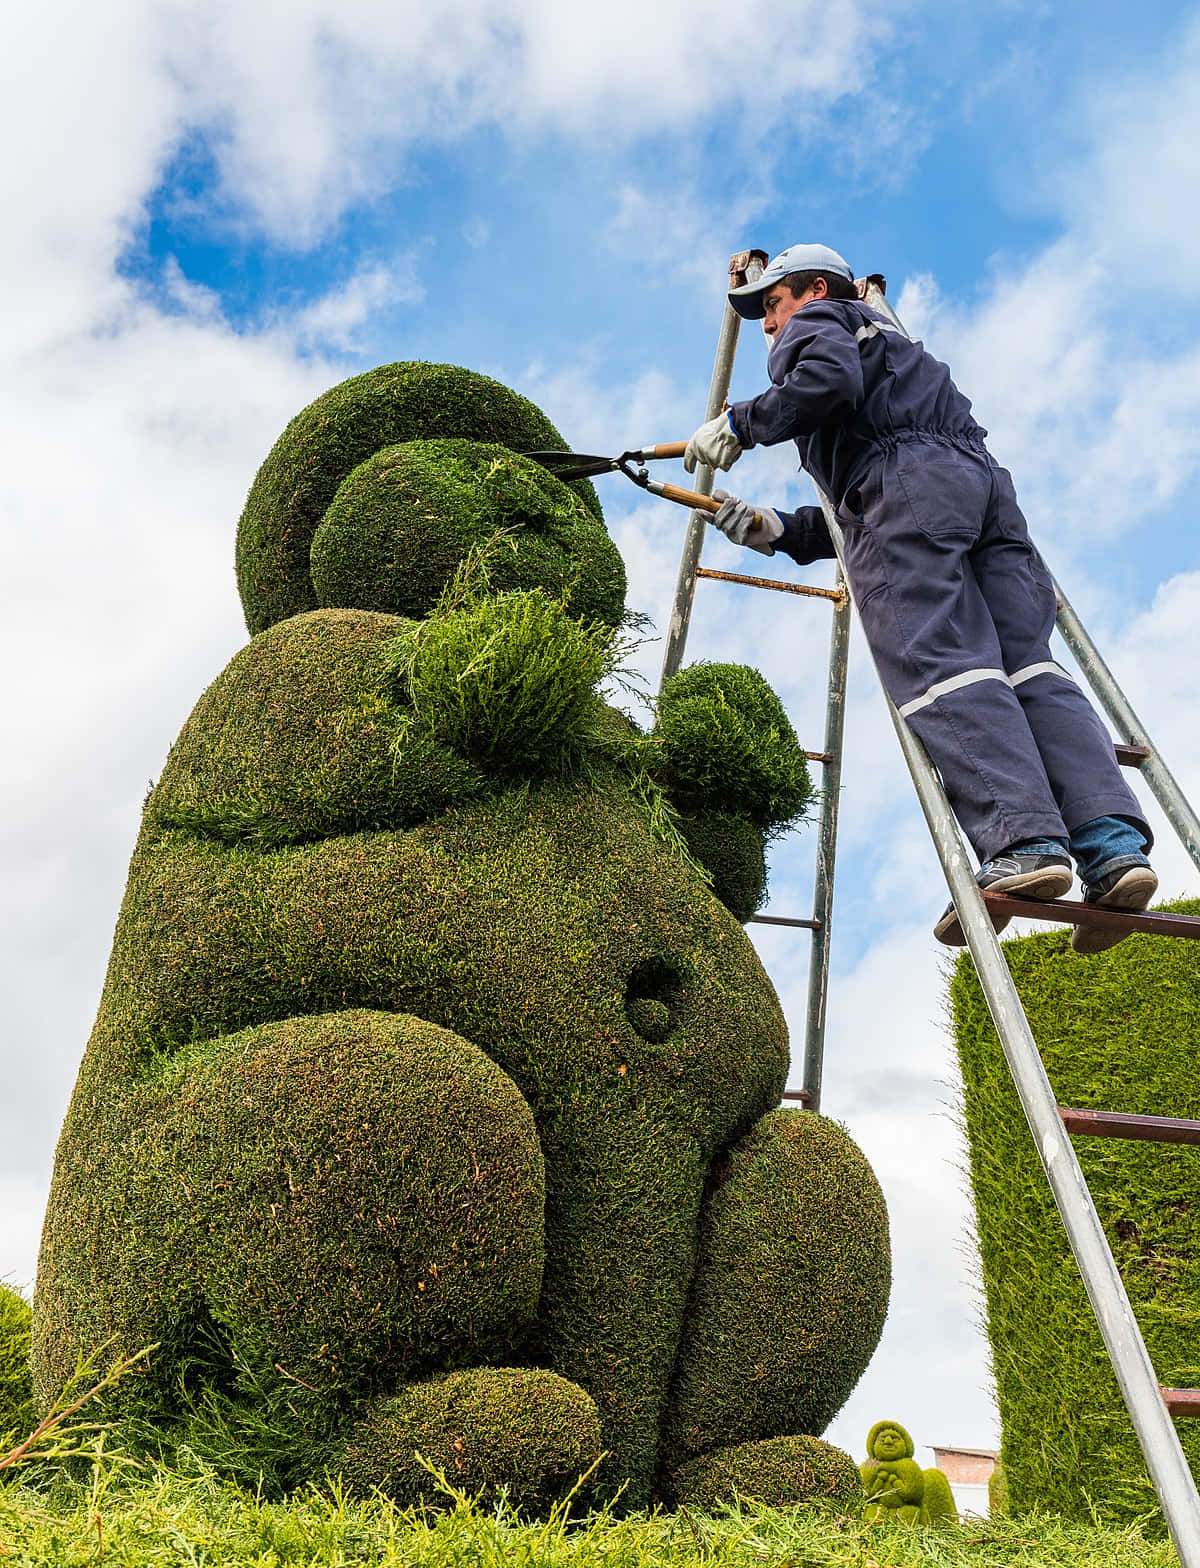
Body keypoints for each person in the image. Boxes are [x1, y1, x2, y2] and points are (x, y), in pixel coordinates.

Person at [683, 242, 1156, 954]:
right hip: (980, 488)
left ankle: (1025, 842)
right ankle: (1112, 845)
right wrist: (777, 529)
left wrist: (743, 423)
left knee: (940, 661)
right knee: (1028, 667)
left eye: (772, 307)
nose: (770, 328)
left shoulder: (820, 323)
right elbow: (872, 497)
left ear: (814, 289)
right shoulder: (898, 348)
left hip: (912, 486)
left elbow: (838, 405)